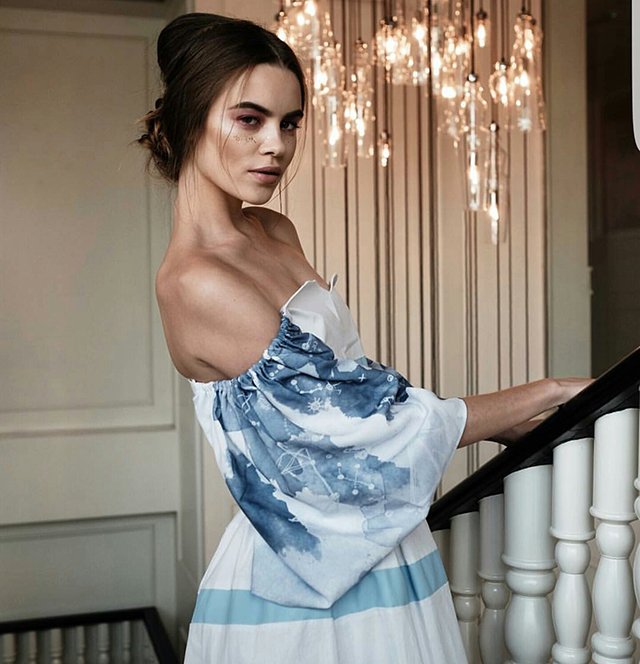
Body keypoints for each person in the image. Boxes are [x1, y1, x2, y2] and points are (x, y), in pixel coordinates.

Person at [138, 12, 591, 664]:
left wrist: (502, 425)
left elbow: (354, 383)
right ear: (189, 120)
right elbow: (358, 422)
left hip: (381, 539)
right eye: (250, 119)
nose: (276, 145)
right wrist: (550, 391)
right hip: (300, 573)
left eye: (289, 123)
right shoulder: (192, 282)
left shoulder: (274, 230)